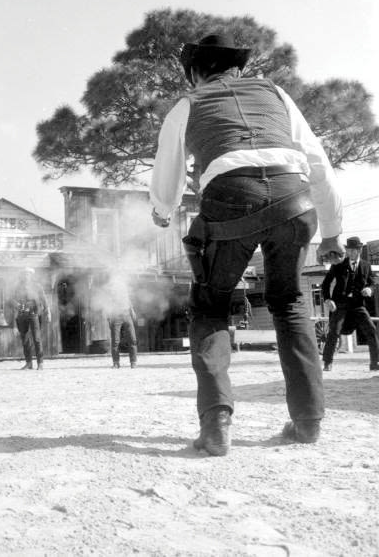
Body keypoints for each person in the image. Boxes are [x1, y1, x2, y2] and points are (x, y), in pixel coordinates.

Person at [150, 33, 344, 456]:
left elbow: (168, 173)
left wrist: (162, 210)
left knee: (211, 306)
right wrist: (332, 231)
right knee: (290, 303)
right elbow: (318, 161)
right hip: (294, 200)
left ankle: (217, 424)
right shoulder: (276, 92)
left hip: (229, 198)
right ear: (236, 68)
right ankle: (308, 421)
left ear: (196, 73)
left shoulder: (188, 104)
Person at [321, 236, 379, 372]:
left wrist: (369, 289)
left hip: (358, 305)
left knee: (371, 330)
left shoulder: (366, 265)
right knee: (334, 332)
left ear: (359, 250)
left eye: (353, 250)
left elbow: (372, 283)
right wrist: (328, 300)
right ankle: (327, 362)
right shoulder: (338, 264)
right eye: (349, 250)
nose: (350, 253)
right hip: (340, 304)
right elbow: (325, 283)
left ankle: (375, 362)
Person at [13, 267, 51, 370]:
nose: (26, 276)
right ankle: (29, 363)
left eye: (28, 274)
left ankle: (40, 363)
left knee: (37, 338)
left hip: (33, 314)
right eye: (24, 274)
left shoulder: (37, 286)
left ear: (31, 275)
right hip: (21, 315)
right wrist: (16, 304)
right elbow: (13, 300)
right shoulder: (18, 287)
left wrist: (48, 312)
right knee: (25, 339)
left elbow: (44, 299)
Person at [105, 272, 138, 368]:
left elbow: (128, 300)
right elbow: (108, 304)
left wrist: (133, 311)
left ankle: (133, 362)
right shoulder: (111, 290)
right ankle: (116, 362)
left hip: (127, 314)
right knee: (115, 341)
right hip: (116, 315)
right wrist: (109, 316)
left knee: (133, 339)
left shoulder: (125, 288)